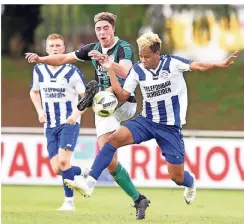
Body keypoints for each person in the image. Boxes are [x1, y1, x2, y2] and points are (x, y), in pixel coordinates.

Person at [64, 32, 238, 207]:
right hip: (146, 121)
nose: (143, 60)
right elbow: (123, 95)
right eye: (140, 56)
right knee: (112, 140)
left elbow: (198, 65)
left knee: (177, 177)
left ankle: (190, 183)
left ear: (157, 53)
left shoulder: (172, 63)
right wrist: (110, 69)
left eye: (146, 56)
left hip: (170, 128)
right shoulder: (137, 70)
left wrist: (220, 63)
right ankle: (90, 183)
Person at [25, 12, 150, 220]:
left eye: (105, 28)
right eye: (98, 29)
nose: (102, 32)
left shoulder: (123, 48)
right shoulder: (92, 49)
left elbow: (126, 72)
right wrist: (40, 58)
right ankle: (139, 199)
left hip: (123, 100)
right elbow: (64, 58)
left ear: (112, 29)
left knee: (105, 110)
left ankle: (89, 179)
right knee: (110, 160)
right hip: (104, 107)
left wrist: (109, 63)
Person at [29, 33, 89, 211]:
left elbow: (86, 97)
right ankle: (83, 172)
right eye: (52, 46)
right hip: (50, 126)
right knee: (57, 169)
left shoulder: (72, 71)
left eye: (58, 46)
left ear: (64, 50)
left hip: (68, 123)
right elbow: (34, 92)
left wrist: (76, 115)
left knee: (63, 163)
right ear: (46, 49)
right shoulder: (39, 70)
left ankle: (69, 202)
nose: (55, 49)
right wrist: (40, 111)